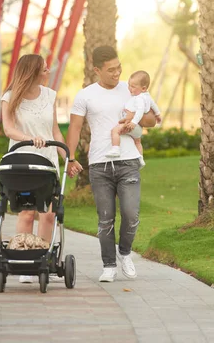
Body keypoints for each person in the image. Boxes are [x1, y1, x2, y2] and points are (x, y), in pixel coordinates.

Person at [66, 46, 156, 282]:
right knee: (105, 217)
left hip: (128, 161)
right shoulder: (85, 95)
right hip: (100, 164)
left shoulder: (132, 90)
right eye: (111, 70)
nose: (117, 73)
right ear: (97, 70)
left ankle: (125, 252)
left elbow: (151, 121)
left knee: (130, 213)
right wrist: (70, 157)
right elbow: (74, 128)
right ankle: (108, 265)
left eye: (119, 68)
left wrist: (133, 119)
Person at [1, 54, 67, 283]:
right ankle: (23, 260)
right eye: (45, 70)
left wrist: (68, 156)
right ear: (32, 72)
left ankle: (43, 259)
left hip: (48, 161)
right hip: (23, 159)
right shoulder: (10, 97)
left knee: (48, 214)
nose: (48, 73)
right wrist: (30, 139)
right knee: (27, 211)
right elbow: (8, 129)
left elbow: (55, 131)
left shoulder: (50, 96)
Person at [106, 70, 162, 169]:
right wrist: (157, 114)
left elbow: (140, 111)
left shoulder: (139, 98)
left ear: (143, 88)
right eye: (129, 85)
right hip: (138, 129)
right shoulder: (147, 96)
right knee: (137, 142)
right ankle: (140, 158)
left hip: (132, 125)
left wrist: (133, 122)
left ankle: (115, 148)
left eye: (133, 86)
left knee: (115, 131)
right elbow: (154, 105)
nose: (129, 88)